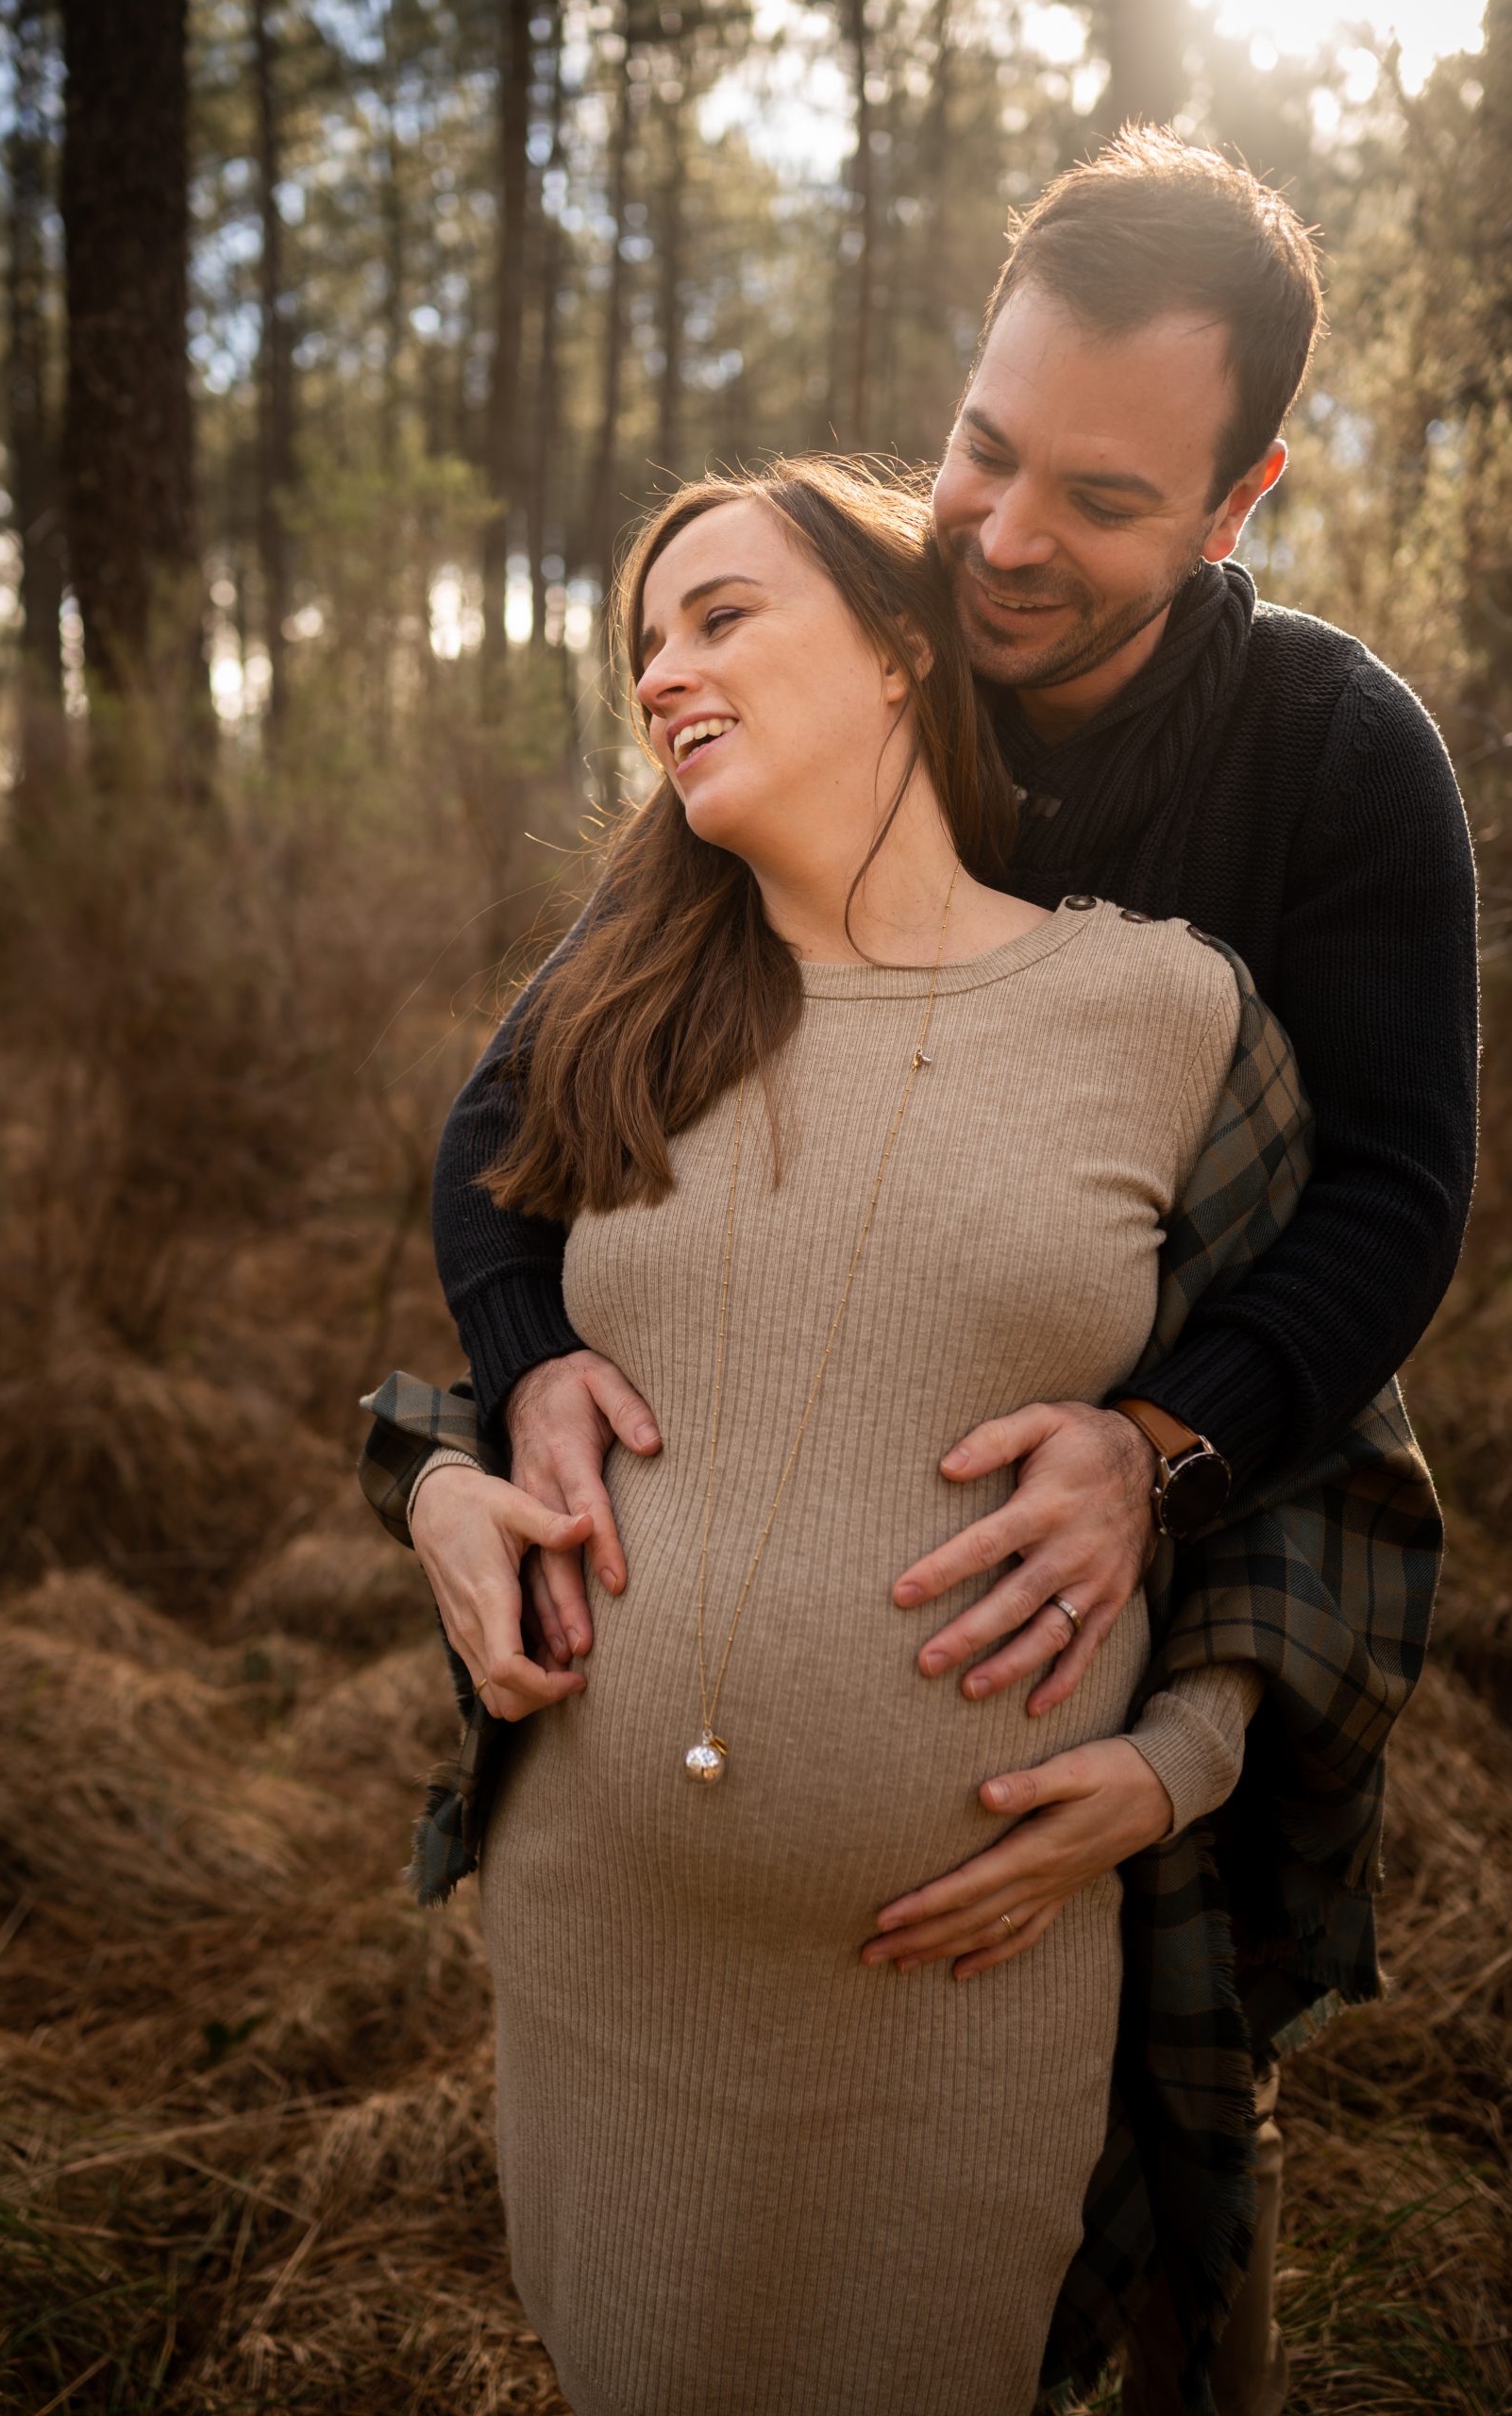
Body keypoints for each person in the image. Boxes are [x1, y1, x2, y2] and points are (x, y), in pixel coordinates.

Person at [412, 129, 1478, 2416]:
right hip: (650, 1946)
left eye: (1103, 498)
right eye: (986, 446)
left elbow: (1389, 1207)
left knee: (1173, 2193)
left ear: (1242, 500)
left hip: (1166, 1560)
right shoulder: (860, 654)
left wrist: (1159, 1443)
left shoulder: (1326, 756)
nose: (1000, 534)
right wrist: (523, 1369)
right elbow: (508, 1123)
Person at [399, 453, 1285, 2416]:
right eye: (646, 644)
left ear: (901, 646)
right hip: (601, 1942)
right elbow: (500, 1377)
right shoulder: (625, 1012)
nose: (661, 672)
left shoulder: (1161, 1007)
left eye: (721, 616)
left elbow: (1310, 1454)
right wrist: (445, 1490)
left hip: (954, 1994)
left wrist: (1184, 1761)